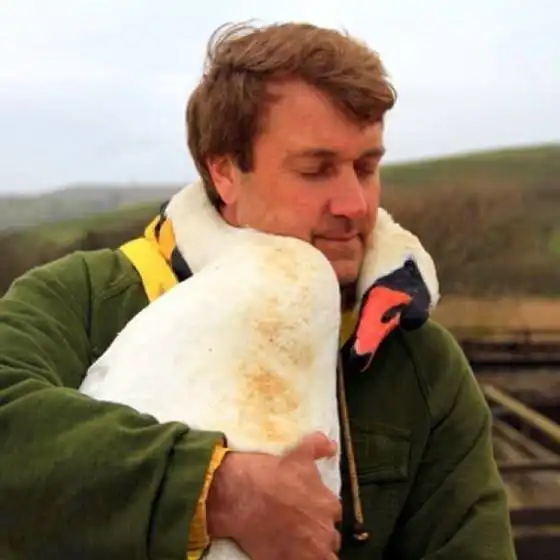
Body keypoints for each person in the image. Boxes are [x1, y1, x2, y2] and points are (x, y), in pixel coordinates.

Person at [0, 21, 516, 560]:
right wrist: (214, 490)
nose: (354, 205)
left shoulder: (419, 362)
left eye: (366, 167)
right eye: (316, 170)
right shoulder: (89, 299)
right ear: (224, 172)